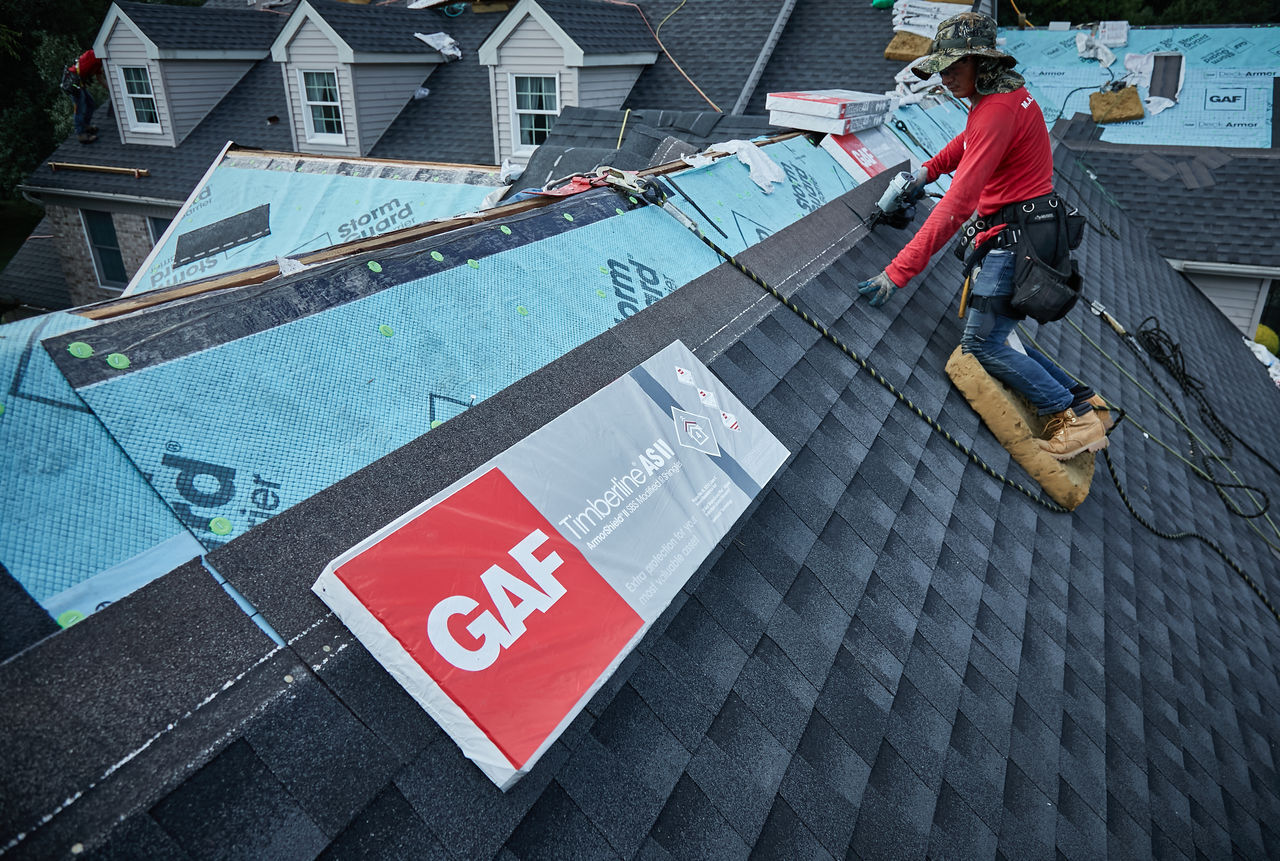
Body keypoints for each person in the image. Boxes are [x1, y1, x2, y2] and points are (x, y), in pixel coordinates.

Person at [855, 11, 1109, 461]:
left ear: (981, 61)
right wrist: (927, 171)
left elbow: (956, 205)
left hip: (1017, 238)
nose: (947, 77)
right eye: (943, 69)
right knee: (1002, 332)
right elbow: (969, 140)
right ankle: (1084, 401)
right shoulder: (1003, 94)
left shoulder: (996, 110)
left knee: (983, 342)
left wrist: (896, 273)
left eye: (955, 67)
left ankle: (1074, 421)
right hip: (1034, 224)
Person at [67, 49, 104, 144]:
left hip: (79, 82)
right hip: (73, 82)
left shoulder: (99, 62)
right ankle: (81, 134)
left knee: (90, 103)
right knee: (80, 107)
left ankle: (86, 126)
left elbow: (100, 79)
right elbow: (79, 70)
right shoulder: (92, 55)